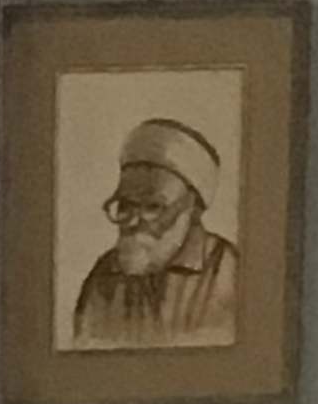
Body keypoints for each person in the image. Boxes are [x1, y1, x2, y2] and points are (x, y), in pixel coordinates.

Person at [71, 113, 240, 348]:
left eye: (153, 207)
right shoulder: (103, 277)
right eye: (125, 206)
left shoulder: (230, 273)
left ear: (193, 210)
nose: (132, 222)